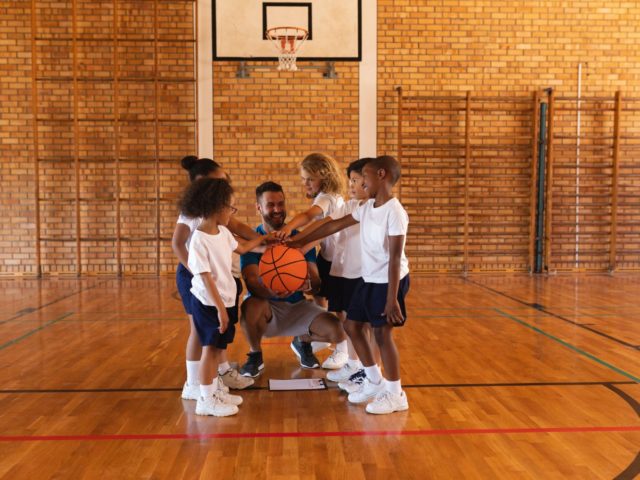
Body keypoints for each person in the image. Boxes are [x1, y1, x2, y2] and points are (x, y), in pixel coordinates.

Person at [287, 155, 410, 415]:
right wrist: (297, 244)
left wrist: (392, 299)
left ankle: (395, 392)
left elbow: (395, 258)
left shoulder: (395, 211)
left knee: (382, 335)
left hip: (389, 280)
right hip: (370, 278)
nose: (360, 181)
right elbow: (333, 225)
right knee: (352, 326)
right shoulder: (366, 208)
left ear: (381, 175)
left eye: (364, 176)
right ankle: (374, 381)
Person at [179, 177, 271, 416]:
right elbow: (206, 279)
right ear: (215, 206)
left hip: (226, 300)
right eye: (231, 207)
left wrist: (267, 240)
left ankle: (214, 391)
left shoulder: (222, 232)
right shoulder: (198, 240)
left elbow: (242, 248)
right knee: (210, 350)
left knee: (218, 346)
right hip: (210, 304)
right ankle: (205, 400)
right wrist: (220, 309)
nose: (233, 212)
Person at [238, 181, 348, 377]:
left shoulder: (299, 238)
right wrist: (274, 290)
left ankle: (302, 342)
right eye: (271, 205)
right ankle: (255, 354)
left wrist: (308, 283)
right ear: (258, 207)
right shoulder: (254, 239)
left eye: (281, 204)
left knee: (338, 331)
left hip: (297, 306)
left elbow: (314, 282)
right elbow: (253, 281)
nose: (277, 209)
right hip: (267, 308)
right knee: (250, 306)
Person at [171, 156, 255, 402]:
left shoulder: (219, 213)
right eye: (219, 181)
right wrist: (198, 271)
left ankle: (219, 373)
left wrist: (267, 238)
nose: (224, 184)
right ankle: (193, 382)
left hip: (214, 277)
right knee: (200, 331)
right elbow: (177, 244)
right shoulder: (191, 213)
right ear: (202, 184)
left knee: (216, 330)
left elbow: (240, 227)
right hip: (194, 276)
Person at [290, 158, 374, 383]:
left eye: (356, 181)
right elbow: (326, 225)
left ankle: (365, 370)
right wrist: (298, 243)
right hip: (340, 265)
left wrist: (293, 235)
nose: (352, 186)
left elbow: (314, 220)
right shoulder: (350, 205)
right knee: (345, 317)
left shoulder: (331, 199)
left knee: (362, 325)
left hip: (360, 270)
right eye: (351, 181)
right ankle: (353, 362)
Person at [274, 153, 345, 310]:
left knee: (338, 304)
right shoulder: (334, 196)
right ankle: (324, 324)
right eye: (303, 178)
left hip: (337, 260)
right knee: (320, 293)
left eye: (310, 179)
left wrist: (288, 228)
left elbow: (308, 215)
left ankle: (336, 331)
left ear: (325, 177)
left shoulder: (325, 198)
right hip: (330, 256)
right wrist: (301, 247)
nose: (305, 183)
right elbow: (321, 232)